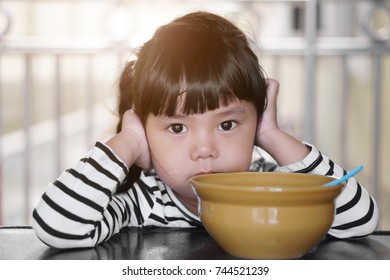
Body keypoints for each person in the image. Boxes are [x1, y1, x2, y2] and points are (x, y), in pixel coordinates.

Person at [32, 11, 379, 249]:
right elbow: (55, 226)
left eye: (227, 124)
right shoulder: (144, 203)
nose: (204, 149)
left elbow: (360, 220)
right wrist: (129, 141)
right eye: (177, 127)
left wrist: (273, 136)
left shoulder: (269, 186)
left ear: (254, 123)